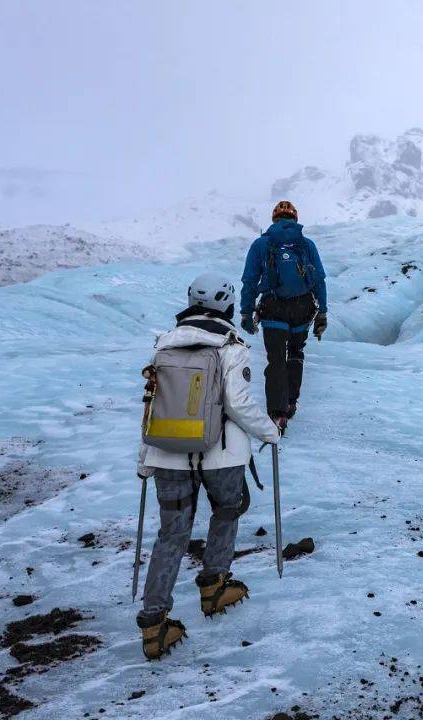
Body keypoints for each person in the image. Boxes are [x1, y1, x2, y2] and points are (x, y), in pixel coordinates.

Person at [135, 272, 280, 660]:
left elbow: (151, 406)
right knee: (228, 509)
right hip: (222, 454)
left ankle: (154, 623)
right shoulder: (230, 345)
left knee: (172, 533)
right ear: (227, 305)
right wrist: (270, 432)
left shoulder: (163, 345)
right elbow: (238, 404)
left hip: (167, 453)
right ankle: (214, 586)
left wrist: (145, 459)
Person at [240, 200, 328, 430]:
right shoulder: (306, 244)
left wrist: (247, 312)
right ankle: (290, 403)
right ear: (295, 219)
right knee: (295, 354)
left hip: (273, 308)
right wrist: (323, 313)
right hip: (302, 308)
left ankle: (277, 413)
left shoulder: (261, 244)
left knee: (276, 358)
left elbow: (249, 280)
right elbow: (318, 279)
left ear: (274, 220)